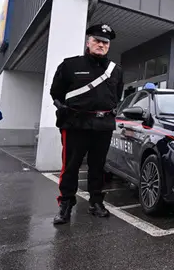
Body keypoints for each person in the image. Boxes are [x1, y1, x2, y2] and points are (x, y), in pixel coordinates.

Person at [49, 23, 124, 225]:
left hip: (103, 125)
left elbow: (116, 96)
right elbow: (56, 92)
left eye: (105, 42)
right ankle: (65, 204)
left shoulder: (115, 70)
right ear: (88, 42)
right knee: (71, 166)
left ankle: (96, 202)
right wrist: (61, 107)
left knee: (98, 167)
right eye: (97, 40)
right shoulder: (70, 65)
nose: (101, 45)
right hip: (76, 124)